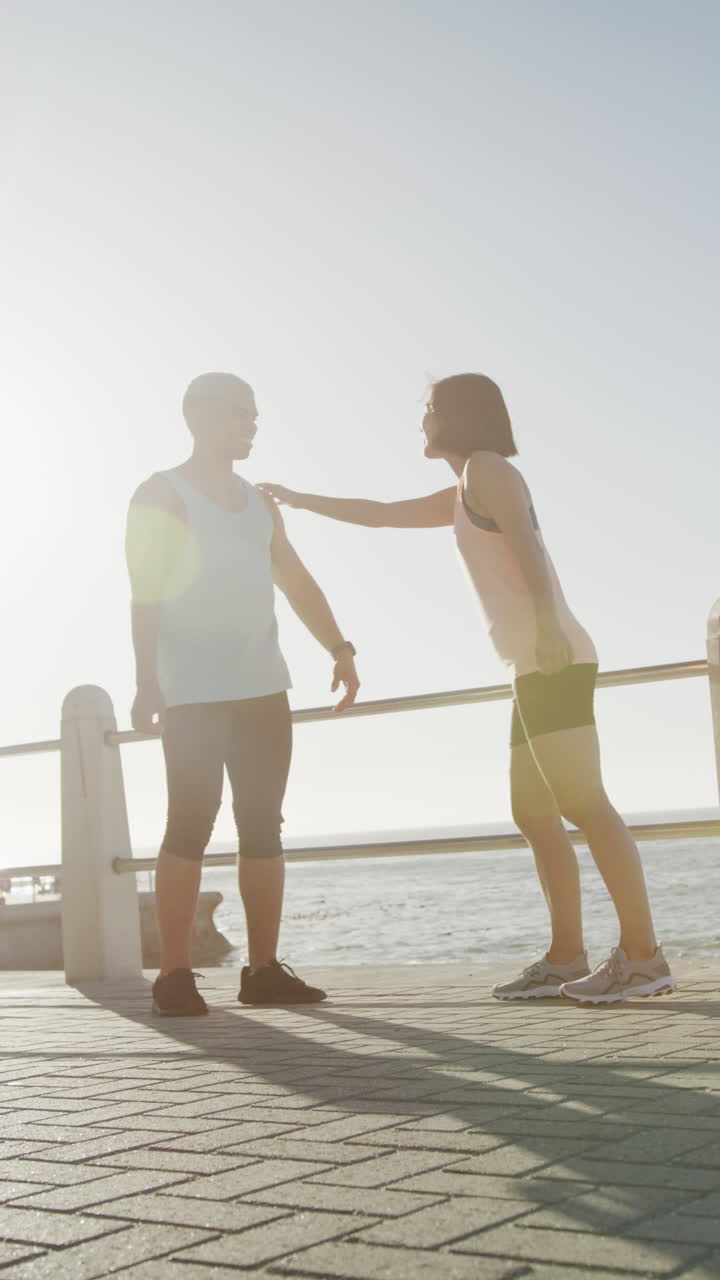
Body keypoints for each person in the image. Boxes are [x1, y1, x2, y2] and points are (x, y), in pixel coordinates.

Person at [260, 373, 675, 1005]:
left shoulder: (488, 469)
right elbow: (379, 517)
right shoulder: (463, 487)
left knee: (585, 803)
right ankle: (565, 958)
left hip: (552, 656)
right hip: (530, 665)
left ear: (457, 417)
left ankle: (644, 958)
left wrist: (546, 633)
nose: (421, 422)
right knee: (534, 813)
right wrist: (296, 498)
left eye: (428, 410)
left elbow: (530, 553)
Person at [126, 371, 359, 1016]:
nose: (253, 425)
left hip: (264, 689)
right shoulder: (160, 492)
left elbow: (296, 578)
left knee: (263, 827)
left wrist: (340, 648)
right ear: (199, 417)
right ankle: (175, 975)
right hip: (193, 693)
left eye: (255, 415)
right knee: (189, 824)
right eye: (240, 414)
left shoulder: (261, 504)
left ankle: (261, 970)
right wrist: (147, 680)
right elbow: (145, 593)